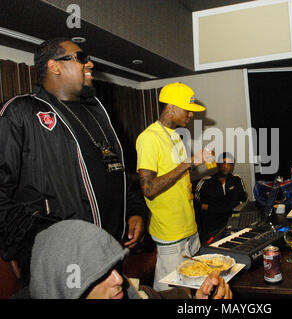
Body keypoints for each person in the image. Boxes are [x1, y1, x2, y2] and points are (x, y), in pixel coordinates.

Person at [0, 37, 148, 286]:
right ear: (54, 66)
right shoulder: (21, 112)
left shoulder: (99, 116)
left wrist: (135, 211)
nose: (89, 63)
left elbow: (118, 175)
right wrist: (40, 241)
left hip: (108, 252)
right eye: (80, 57)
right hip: (58, 262)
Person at [27, 219, 232, 299]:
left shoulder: (131, 293)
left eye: (115, 268)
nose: (118, 279)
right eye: (100, 275)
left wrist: (198, 299)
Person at [136, 82, 213, 291]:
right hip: (170, 232)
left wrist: (192, 163)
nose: (190, 115)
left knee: (192, 286)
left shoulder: (176, 137)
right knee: (170, 292)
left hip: (189, 227)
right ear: (171, 108)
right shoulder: (149, 138)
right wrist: (188, 163)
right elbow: (149, 189)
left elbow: (176, 176)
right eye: (187, 110)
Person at [195, 152, 248, 243]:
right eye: (223, 163)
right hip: (211, 226)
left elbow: (242, 200)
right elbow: (196, 204)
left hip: (232, 223)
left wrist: (210, 207)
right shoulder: (206, 182)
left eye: (229, 164)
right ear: (217, 164)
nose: (225, 166)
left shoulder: (237, 180)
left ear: (232, 166)